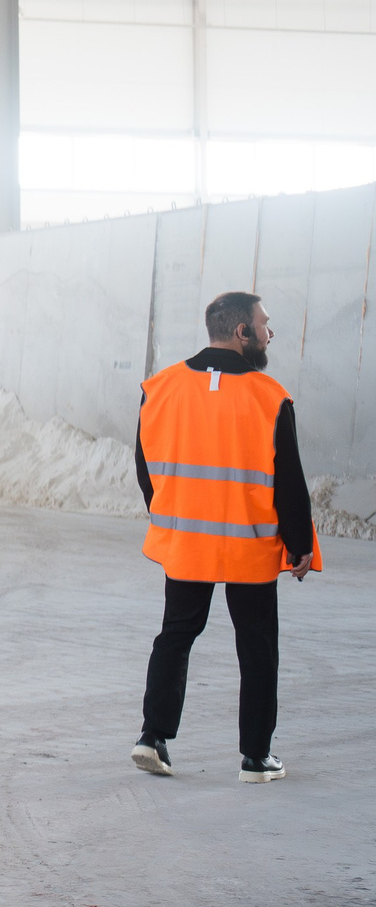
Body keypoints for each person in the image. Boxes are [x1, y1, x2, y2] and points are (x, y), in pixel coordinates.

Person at [131, 290, 317, 784]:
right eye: (264, 325)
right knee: (257, 647)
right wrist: (301, 544)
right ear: (242, 333)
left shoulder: (160, 387)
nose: (268, 333)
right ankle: (256, 759)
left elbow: (145, 465)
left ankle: (152, 737)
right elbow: (289, 481)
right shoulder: (270, 396)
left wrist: (170, 512)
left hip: (186, 542)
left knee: (176, 635)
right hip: (249, 545)